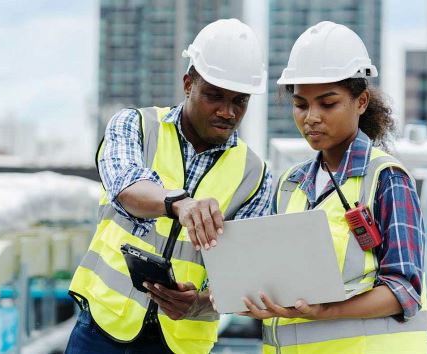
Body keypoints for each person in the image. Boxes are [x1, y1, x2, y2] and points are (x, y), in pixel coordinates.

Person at [65, 19, 272, 354]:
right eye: (214, 96)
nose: (227, 111)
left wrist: (199, 304)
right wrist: (180, 202)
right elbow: (126, 186)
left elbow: (244, 278)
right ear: (188, 83)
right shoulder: (136, 126)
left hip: (181, 343)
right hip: (103, 330)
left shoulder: (256, 175)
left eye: (240, 101)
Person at [240, 21, 427, 353]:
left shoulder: (385, 180)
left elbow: (404, 289)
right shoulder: (290, 185)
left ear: (361, 101)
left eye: (327, 104)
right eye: (301, 104)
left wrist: (327, 312)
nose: (311, 117)